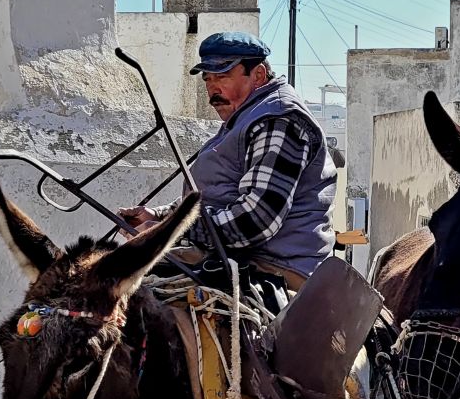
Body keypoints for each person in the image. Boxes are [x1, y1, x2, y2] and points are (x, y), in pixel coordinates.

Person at [122, 32, 337, 280]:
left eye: (222, 76)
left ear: (258, 75)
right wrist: (159, 216)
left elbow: (257, 219)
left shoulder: (278, 120)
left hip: (276, 268)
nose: (213, 88)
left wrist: (169, 231)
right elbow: (220, 193)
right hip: (235, 259)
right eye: (207, 79)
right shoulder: (247, 116)